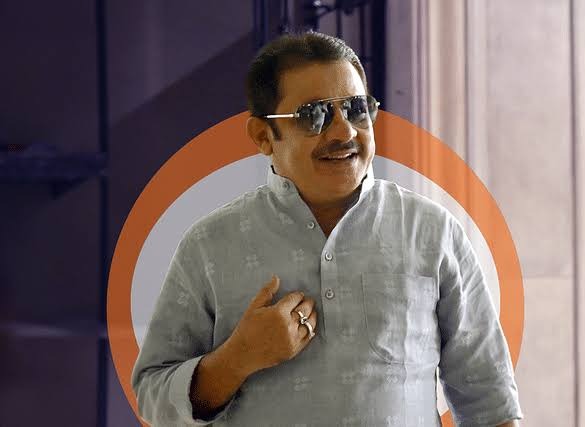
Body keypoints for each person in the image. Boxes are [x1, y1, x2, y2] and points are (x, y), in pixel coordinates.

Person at [131, 31, 523, 426]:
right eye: (313, 115)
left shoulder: (432, 233)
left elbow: (491, 403)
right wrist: (237, 359)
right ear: (263, 136)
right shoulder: (210, 245)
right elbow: (152, 394)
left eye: (356, 109)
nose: (344, 132)